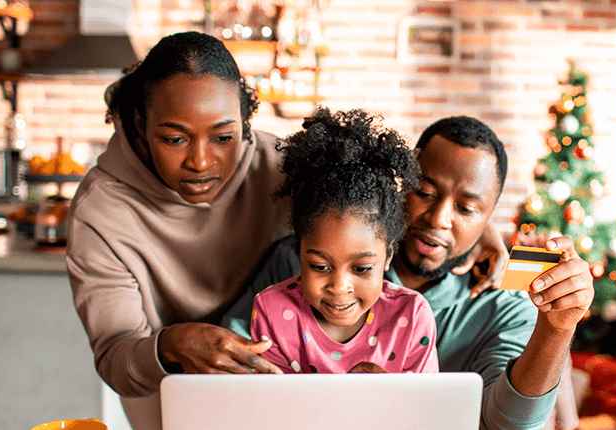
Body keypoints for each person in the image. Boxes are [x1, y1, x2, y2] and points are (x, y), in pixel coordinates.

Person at [224, 116, 594, 430]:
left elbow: (508, 424)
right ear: (401, 187)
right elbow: (228, 369)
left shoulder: (506, 302)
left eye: (467, 209)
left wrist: (557, 328)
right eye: (425, 192)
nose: (438, 219)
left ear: (489, 216)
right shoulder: (299, 260)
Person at [66, 31, 290, 429]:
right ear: (140, 123)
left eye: (223, 137)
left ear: (245, 119)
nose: (201, 161)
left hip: (275, 397)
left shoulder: (280, 171)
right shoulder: (99, 209)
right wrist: (170, 344)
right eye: (174, 139)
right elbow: (115, 360)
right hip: (163, 402)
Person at [250, 108, 438, 374]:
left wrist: (389, 397)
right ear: (298, 251)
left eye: (361, 269)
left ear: (388, 256)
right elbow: (270, 409)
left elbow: (427, 411)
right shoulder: (272, 311)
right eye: (319, 266)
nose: (339, 287)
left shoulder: (411, 315)